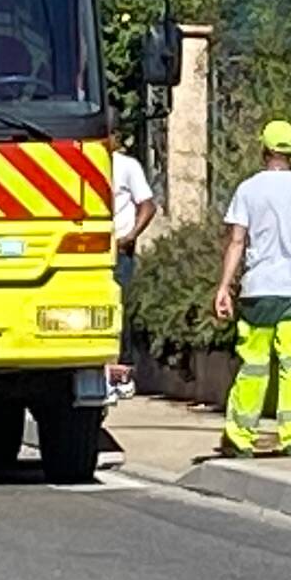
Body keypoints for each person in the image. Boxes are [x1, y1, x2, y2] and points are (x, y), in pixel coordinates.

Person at [211, 122, 291, 457]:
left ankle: (240, 437)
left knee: (254, 366)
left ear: (264, 149)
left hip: (259, 291)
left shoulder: (249, 190)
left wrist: (224, 287)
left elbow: (237, 241)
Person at [109, 143, 159, 400]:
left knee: (121, 307)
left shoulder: (127, 166)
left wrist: (130, 236)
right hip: (84, 248)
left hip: (118, 251)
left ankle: (122, 370)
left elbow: (148, 205)